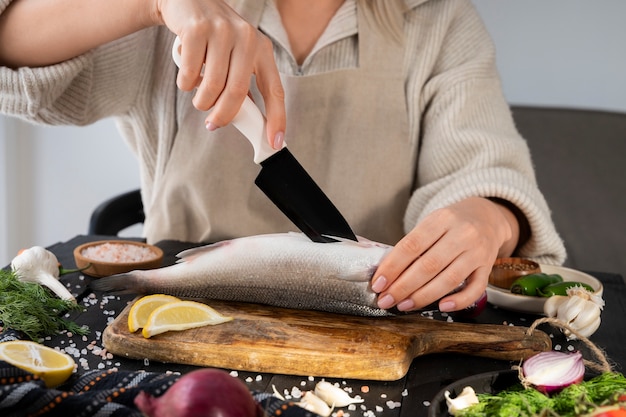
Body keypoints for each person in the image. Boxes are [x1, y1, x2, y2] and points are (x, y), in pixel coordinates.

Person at [0, 0, 566, 314]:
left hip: (377, 317)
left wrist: (489, 215)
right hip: (182, 322)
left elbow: (483, 169)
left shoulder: (440, 23)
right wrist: (153, 3)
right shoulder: (173, 17)